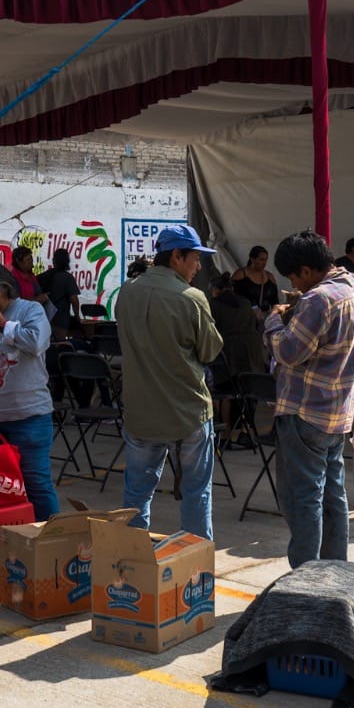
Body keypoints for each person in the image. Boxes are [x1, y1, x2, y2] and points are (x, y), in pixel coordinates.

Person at [264, 231, 354, 568]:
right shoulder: (353, 285)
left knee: (302, 499)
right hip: (338, 412)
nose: (295, 284)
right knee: (331, 495)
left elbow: (288, 351)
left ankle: (305, 577)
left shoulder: (318, 300)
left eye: (294, 276)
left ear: (306, 270)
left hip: (306, 411)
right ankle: (335, 569)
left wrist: (272, 321)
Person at [115, 224, 224, 539]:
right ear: (177, 256)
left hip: (140, 411)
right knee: (197, 493)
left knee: (136, 495)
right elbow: (210, 350)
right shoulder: (191, 298)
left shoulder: (127, 291)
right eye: (195, 259)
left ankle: (131, 561)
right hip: (187, 410)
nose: (198, 266)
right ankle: (196, 567)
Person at [0, 260, 59, 519]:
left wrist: (2, 324)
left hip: (28, 417)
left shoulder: (30, 310)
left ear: (7, 288)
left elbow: (36, 342)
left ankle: (50, 541)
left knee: (36, 484)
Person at [209, 272, 262, 449]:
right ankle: (246, 432)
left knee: (225, 393)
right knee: (248, 393)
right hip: (252, 354)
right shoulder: (245, 302)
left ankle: (225, 435)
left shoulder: (213, 305)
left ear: (216, 290)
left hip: (228, 355)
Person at [37, 248, 82, 341]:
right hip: (60, 320)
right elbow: (74, 299)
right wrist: (77, 316)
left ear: (54, 261)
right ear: (67, 261)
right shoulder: (68, 278)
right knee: (59, 345)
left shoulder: (43, 276)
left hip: (43, 318)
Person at [230, 245, 280, 317]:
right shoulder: (240, 275)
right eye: (261, 260)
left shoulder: (270, 277)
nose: (264, 263)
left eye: (266, 260)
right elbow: (233, 298)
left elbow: (275, 302)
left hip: (264, 319)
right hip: (245, 317)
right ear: (252, 259)